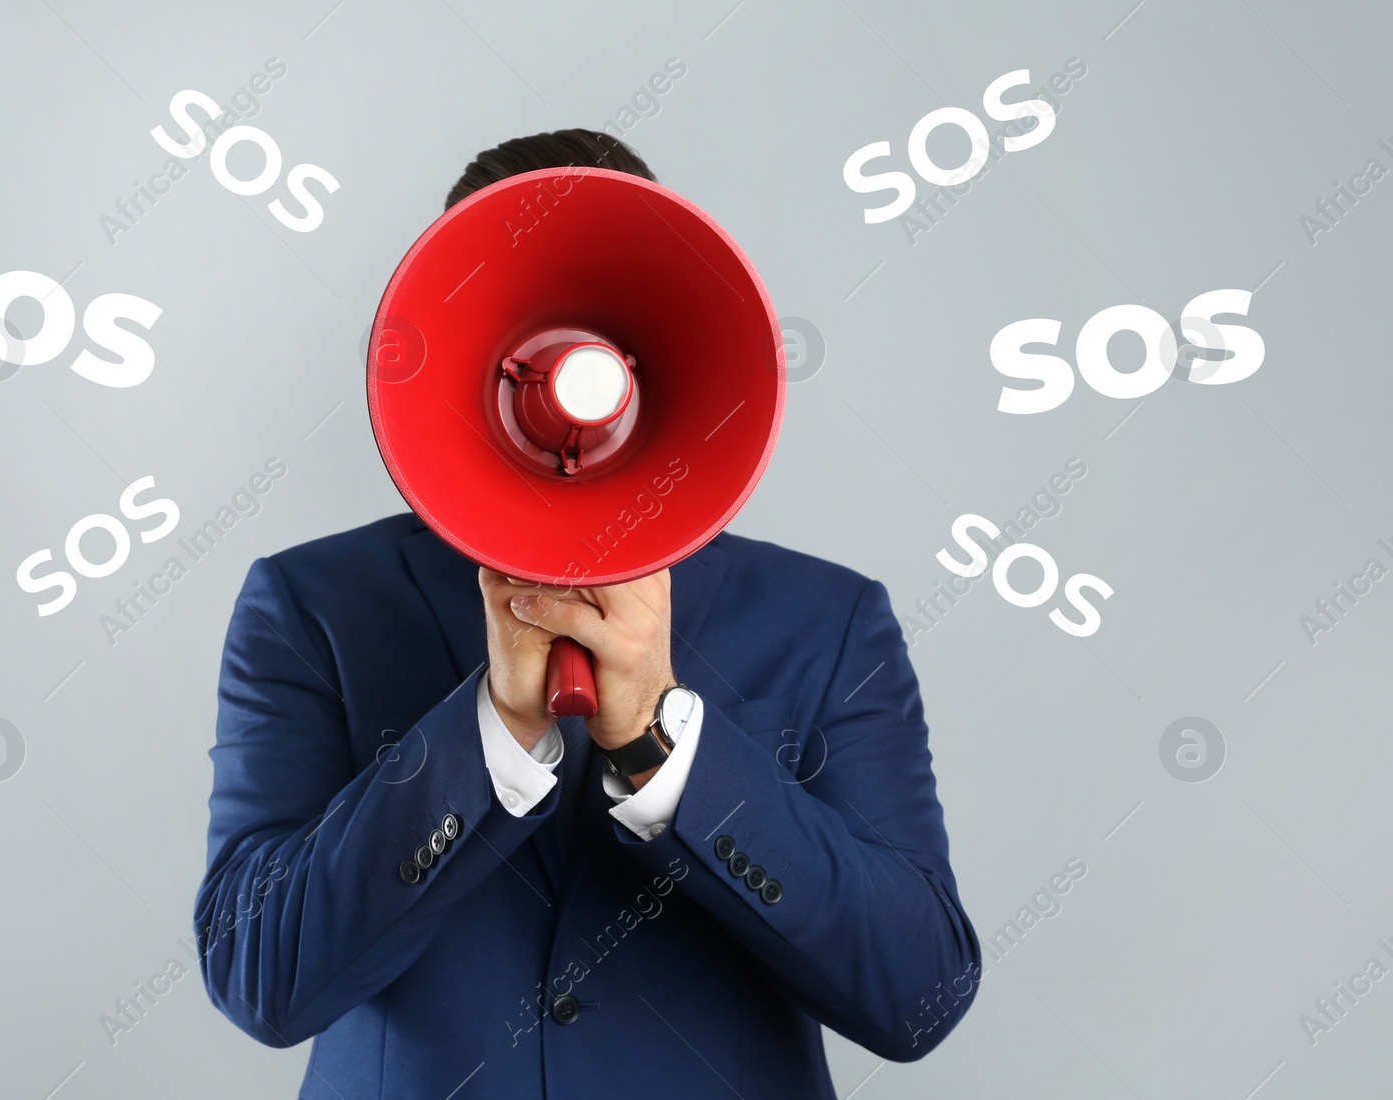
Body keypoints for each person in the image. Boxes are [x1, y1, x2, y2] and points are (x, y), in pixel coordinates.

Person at [195, 129, 980, 1100]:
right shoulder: (312, 605)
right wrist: (491, 732)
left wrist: (668, 751)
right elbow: (259, 976)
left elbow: (920, 992)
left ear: (653, 357)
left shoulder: (826, 621)